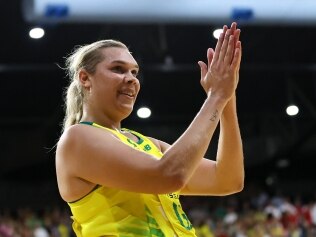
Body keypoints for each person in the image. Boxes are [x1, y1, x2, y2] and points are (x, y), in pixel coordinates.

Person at [55, 22, 244, 237]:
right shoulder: (79, 137)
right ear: (85, 78)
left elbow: (228, 179)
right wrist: (216, 97)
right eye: (118, 69)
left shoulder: (148, 145)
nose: (131, 79)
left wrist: (227, 96)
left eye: (134, 72)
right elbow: (170, 175)